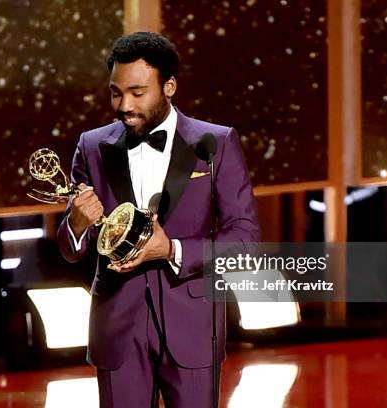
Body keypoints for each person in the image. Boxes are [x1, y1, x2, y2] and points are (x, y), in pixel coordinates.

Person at [57, 31, 260, 408]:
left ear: (169, 86)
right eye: (116, 92)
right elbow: (70, 249)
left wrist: (173, 249)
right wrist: (78, 224)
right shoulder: (92, 146)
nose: (123, 105)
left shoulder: (215, 144)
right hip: (117, 326)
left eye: (137, 93)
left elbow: (245, 240)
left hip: (194, 325)